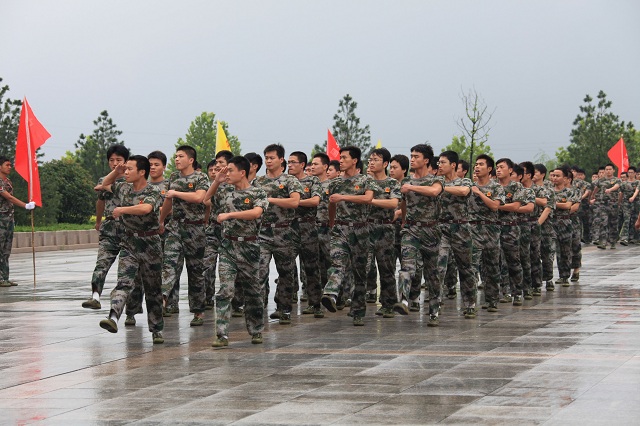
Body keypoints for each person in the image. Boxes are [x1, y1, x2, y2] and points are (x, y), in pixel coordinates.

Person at [96, 155, 165, 344]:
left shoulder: (153, 190)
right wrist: (116, 171)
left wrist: (122, 210)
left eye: (129, 169)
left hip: (150, 244)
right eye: (125, 169)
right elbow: (104, 184)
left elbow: (146, 209)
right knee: (124, 282)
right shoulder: (123, 187)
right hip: (129, 242)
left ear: (142, 172)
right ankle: (113, 317)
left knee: (153, 289)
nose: (126, 172)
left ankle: (156, 329)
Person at [206, 157, 268, 348]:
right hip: (228, 246)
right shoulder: (225, 190)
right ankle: (221, 334)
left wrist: (230, 214)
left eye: (230, 170)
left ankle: (256, 330)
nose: (227, 173)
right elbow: (205, 199)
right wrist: (217, 181)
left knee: (253, 292)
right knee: (225, 290)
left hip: (249, 247)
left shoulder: (258, 192)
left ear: (242, 172)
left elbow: (256, 213)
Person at [320, 146, 374, 326]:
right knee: (337, 262)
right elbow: (331, 204)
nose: (340, 161)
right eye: (340, 157)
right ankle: (331, 294)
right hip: (340, 229)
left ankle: (358, 311)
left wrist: (343, 198)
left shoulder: (366, 180)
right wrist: (332, 223)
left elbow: (368, 199)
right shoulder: (335, 183)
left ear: (355, 160)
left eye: (344, 158)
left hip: (360, 230)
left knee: (359, 272)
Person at [159, 145, 209, 326]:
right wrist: (161, 220)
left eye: (181, 156)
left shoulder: (201, 177)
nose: (177, 159)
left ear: (191, 160)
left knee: (195, 272)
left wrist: (176, 193)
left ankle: (198, 311)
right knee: (169, 265)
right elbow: (168, 201)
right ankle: (162, 300)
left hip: (195, 230)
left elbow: (199, 198)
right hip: (175, 228)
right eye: (176, 156)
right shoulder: (173, 177)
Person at [394, 144, 443, 325]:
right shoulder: (407, 181)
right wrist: (404, 221)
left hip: (431, 231)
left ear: (426, 160)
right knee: (407, 266)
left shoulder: (436, 180)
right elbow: (403, 203)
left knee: (432, 273)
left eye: (416, 156)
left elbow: (434, 192)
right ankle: (403, 300)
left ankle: (434, 311)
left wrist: (411, 188)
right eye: (411, 156)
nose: (412, 159)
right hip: (411, 230)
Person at [253, 144, 302, 324]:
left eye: (272, 158)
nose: (268, 161)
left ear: (281, 160)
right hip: (263, 232)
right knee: (259, 271)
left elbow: (295, 202)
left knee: (286, 273)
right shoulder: (258, 182)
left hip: (284, 231)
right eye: (266, 158)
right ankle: (257, 308)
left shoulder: (290, 181)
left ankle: (284, 309)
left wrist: (270, 200)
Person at [123, 150, 169, 325]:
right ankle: (131, 311)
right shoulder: (127, 188)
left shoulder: (163, 187)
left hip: (155, 237)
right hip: (132, 240)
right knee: (132, 279)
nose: (153, 167)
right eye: (151, 164)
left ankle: (156, 325)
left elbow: (166, 205)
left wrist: (161, 219)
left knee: (153, 283)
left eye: (157, 164)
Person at [82, 144, 129, 309]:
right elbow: (100, 201)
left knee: (126, 270)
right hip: (109, 227)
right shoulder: (104, 180)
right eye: (111, 160)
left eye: (119, 160)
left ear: (126, 161)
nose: (115, 163)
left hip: (128, 228)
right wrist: (98, 221)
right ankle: (95, 296)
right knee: (102, 263)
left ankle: (125, 307)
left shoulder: (131, 180)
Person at [433, 151, 477, 318]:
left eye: (443, 162)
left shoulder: (464, 181)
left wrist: (441, 189)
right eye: (438, 162)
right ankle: (435, 304)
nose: (439, 165)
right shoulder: (436, 182)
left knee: (465, 268)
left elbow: (464, 192)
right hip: (441, 228)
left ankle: (470, 304)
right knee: (439, 267)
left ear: (453, 165)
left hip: (461, 228)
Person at [366, 148, 401, 317]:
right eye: (370, 160)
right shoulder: (365, 182)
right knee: (362, 267)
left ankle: (388, 304)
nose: (371, 163)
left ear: (385, 163)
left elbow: (393, 203)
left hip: (385, 229)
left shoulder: (392, 183)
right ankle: (358, 303)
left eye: (376, 160)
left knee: (386, 268)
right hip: (366, 228)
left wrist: (369, 200)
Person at [288, 151, 324, 318]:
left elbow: (315, 201)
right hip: (289, 227)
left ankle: (315, 304)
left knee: (311, 267)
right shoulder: (286, 181)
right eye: (288, 162)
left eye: (293, 162)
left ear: (302, 165)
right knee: (286, 266)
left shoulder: (312, 181)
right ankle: (284, 305)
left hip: (308, 227)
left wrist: (294, 202)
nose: (290, 165)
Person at [204, 150, 233, 313]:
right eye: (216, 163)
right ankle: (207, 298)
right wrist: (216, 182)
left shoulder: (237, 185)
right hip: (213, 231)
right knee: (206, 266)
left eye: (221, 163)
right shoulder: (216, 185)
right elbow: (206, 200)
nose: (217, 166)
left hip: (231, 232)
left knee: (228, 269)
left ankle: (234, 301)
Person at [0, 156, 36, 287]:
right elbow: (8, 197)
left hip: (9, 219)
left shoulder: (8, 181)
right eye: (7, 165)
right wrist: (25, 205)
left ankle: (5, 277)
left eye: (10, 165)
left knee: (6, 250)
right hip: (0, 219)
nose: (9, 167)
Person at [495, 158, 525, 305]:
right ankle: (503, 292)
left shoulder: (516, 186)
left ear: (510, 170)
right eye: (497, 167)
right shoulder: (492, 186)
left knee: (513, 261)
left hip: (510, 228)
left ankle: (517, 292)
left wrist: (495, 206)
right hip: (493, 228)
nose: (498, 170)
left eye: (501, 167)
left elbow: (515, 206)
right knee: (496, 262)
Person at [311, 153, 332, 292]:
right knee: (315, 265)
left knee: (331, 262)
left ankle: (339, 295)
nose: (312, 166)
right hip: (312, 229)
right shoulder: (309, 184)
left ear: (325, 167)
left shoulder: (332, 185)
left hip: (328, 228)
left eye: (316, 164)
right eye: (312, 164)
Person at [550, 166, 573, 286]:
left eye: (557, 176)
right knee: (549, 251)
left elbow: (567, 206)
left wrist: (551, 203)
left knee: (565, 251)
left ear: (564, 178)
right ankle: (548, 278)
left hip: (565, 223)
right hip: (550, 223)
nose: (554, 178)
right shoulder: (548, 191)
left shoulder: (569, 192)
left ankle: (564, 276)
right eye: (553, 175)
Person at [590, 163, 621, 249]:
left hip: (613, 204)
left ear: (613, 170)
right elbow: (596, 188)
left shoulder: (617, 180)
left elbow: (617, 186)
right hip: (603, 204)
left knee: (613, 223)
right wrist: (593, 195)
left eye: (610, 169)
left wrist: (610, 189)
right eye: (606, 169)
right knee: (603, 222)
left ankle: (613, 242)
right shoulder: (601, 180)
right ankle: (603, 242)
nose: (608, 171)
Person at [618, 168, 639, 245]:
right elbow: (621, 193)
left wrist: (633, 197)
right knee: (626, 219)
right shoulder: (624, 183)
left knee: (635, 219)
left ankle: (634, 237)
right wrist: (619, 203)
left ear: (635, 173)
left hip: (636, 203)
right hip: (626, 204)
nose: (630, 174)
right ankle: (624, 238)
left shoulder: (638, 182)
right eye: (629, 172)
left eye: (632, 172)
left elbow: (637, 190)